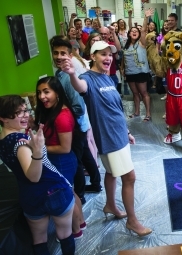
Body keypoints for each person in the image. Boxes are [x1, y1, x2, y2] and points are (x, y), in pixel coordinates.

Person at [60, 40, 152, 237]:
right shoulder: (88, 79)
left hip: (119, 133)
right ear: (92, 56)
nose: (108, 58)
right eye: (102, 54)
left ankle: (110, 205)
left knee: (111, 173)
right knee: (130, 177)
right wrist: (71, 74)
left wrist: (126, 132)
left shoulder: (109, 79)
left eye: (109, 54)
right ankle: (132, 221)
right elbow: (80, 86)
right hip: (109, 138)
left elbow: (116, 109)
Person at [0, 95, 75, 254]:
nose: (25, 115)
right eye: (18, 112)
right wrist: (38, 150)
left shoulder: (3, 140)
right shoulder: (20, 141)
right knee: (64, 234)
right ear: (3, 118)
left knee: (39, 239)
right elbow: (33, 176)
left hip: (29, 196)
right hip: (54, 191)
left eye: (25, 110)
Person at [50, 35, 102, 200]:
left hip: (76, 124)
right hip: (80, 123)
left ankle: (80, 194)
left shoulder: (66, 77)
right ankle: (95, 183)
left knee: (76, 160)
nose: (59, 57)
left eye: (63, 53)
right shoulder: (61, 73)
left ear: (70, 55)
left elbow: (78, 106)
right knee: (86, 154)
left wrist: (68, 120)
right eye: (55, 53)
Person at [34, 76, 85, 239]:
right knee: (71, 191)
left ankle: (76, 231)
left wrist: (37, 148)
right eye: (39, 92)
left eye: (46, 92)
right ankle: (81, 222)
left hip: (62, 161)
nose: (42, 96)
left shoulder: (62, 116)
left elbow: (64, 147)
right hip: (60, 161)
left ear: (57, 93)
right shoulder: (54, 111)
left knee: (67, 197)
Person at [121, 9, 153, 121]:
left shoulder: (142, 43)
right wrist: (123, 68)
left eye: (136, 31)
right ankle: (137, 112)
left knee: (144, 93)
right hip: (130, 73)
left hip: (141, 72)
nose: (134, 32)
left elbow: (144, 30)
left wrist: (146, 17)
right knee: (135, 93)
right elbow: (124, 58)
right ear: (129, 34)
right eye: (132, 31)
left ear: (138, 34)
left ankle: (148, 113)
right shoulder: (126, 45)